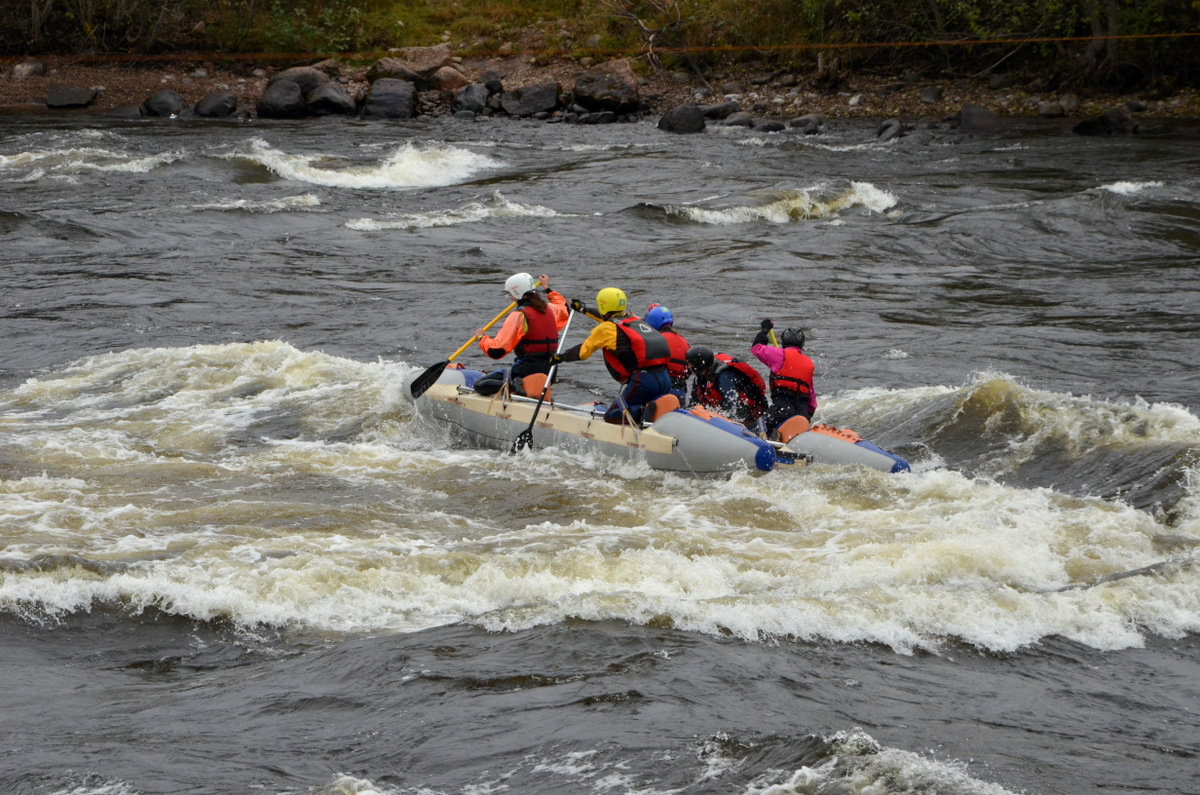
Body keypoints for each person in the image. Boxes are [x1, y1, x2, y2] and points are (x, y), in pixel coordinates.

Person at [552, 287, 672, 425]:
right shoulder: (635, 319)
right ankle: (651, 417)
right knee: (641, 406)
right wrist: (583, 309)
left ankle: (643, 412)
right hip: (664, 378)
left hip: (643, 381)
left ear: (603, 305)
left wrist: (560, 357)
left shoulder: (605, 330)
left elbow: (582, 352)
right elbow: (609, 319)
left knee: (612, 415)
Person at [473, 272, 569, 396]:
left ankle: (514, 384)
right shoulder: (550, 309)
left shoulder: (519, 315)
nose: (510, 297)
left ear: (517, 293)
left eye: (510, 294)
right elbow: (565, 308)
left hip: (525, 371)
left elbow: (496, 350)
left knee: (479, 385)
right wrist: (547, 289)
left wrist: (481, 338)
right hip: (550, 371)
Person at [751, 319, 817, 442]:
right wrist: (806, 417)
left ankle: (768, 439)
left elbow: (756, 348)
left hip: (782, 408)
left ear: (783, 342)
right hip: (802, 414)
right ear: (801, 345)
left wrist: (764, 331)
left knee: (757, 425)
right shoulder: (808, 364)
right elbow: (812, 403)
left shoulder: (780, 355)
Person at [685, 345, 769, 428]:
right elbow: (694, 404)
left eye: (690, 364)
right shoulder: (700, 379)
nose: (688, 367)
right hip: (728, 413)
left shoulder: (724, 378)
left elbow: (735, 409)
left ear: (699, 366)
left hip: (753, 416)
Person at [646, 303, 690, 397]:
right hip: (680, 391)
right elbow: (688, 371)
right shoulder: (684, 342)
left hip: (660, 389)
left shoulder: (654, 340)